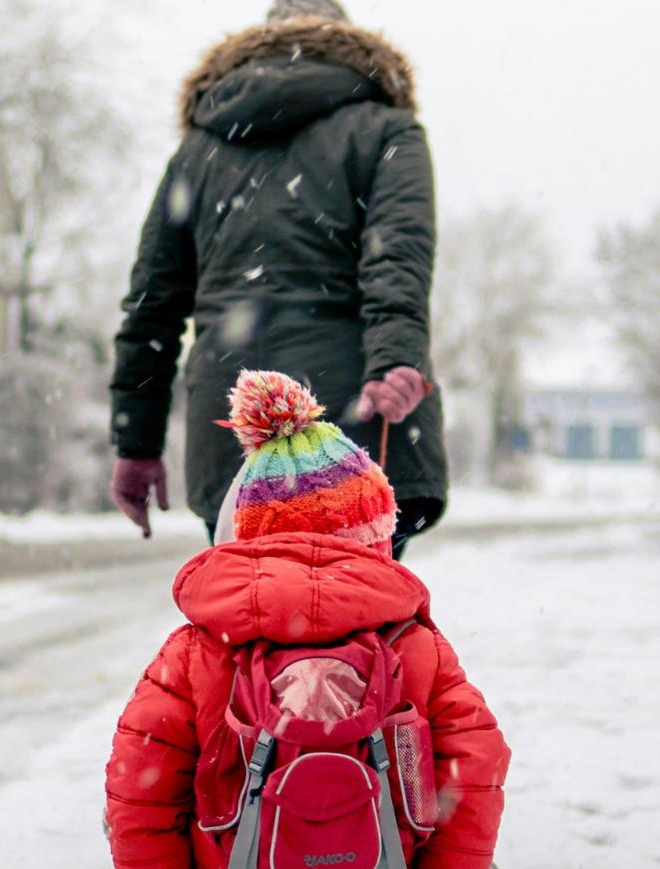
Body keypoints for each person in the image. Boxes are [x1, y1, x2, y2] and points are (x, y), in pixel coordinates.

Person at [104, 370, 507, 869]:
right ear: (376, 537)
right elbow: (475, 766)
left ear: (245, 534)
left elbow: (140, 788)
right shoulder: (415, 645)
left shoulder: (198, 649)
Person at [108, 0, 448, 558]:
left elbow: (153, 306)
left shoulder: (199, 151)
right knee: (359, 620)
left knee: (249, 619)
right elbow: (398, 262)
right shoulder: (388, 131)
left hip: (235, 424)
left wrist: (136, 442)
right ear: (349, 44)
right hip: (353, 421)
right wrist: (395, 361)